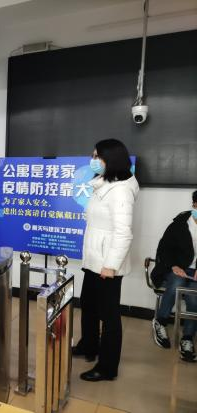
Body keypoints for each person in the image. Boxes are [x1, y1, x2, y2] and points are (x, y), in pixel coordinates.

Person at [73, 139, 139, 382]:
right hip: (94, 259)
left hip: (107, 264)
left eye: (96, 156)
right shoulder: (105, 182)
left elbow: (123, 233)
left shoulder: (121, 190)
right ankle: (88, 346)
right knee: (89, 304)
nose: (92, 160)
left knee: (109, 316)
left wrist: (110, 265)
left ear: (110, 159)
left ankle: (107, 367)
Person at [151, 190, 197, 362]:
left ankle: (187, 338)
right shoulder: (179, 224)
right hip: (177, 268)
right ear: (194, 205)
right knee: (177, 283)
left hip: (195, 272)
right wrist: (174, 266)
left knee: (194, 297)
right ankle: (161, 321)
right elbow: (164, 249)